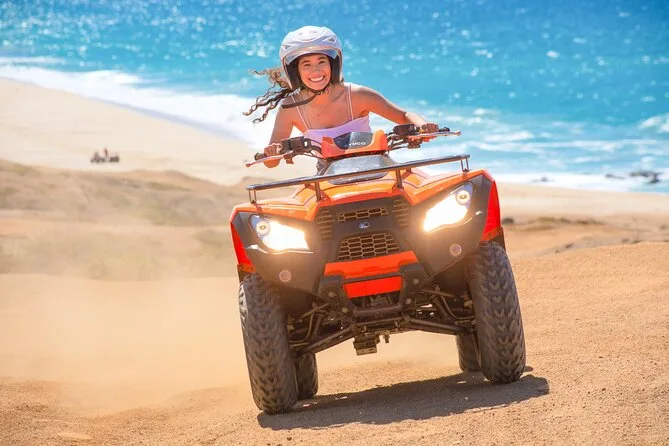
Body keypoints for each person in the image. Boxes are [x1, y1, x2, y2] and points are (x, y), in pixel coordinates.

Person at [244, 25, 438, 170]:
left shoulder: (357, 95)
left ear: (333, 65)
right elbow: (271, 162)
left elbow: (404, 116)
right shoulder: (291, 108)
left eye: (322, 61)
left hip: (375, 167)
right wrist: (272, 152)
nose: (316, 70)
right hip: (328, 177)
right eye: (307, 64)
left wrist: (423, 126)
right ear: (295, 72)